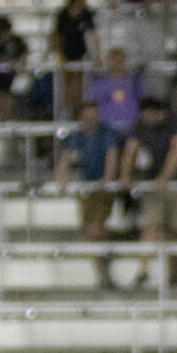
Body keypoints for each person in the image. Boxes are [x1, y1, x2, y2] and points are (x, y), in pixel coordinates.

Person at [57, 100, 124, 289]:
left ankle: (105, 258)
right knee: (90, 231)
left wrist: (107, 178)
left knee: (96, 227)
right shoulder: (78, 135)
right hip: (86, 187)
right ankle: (102, 267)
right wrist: (63, 179)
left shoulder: (107, 133)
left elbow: (112, 156)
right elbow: (66, 158)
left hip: (101, 188)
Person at [123, 97, 177, 289]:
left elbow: (176, 150)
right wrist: (126, 175)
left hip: (176, 184)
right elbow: (130, 150)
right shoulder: (140, 125)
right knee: (149, 226)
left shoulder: (175, 124)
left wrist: (165, 177)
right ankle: (143, 271)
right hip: (152, 184)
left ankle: (174, 277)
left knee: (176, 231)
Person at [53, 0, 100, 116]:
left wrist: (97, 55)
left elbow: (92, 35)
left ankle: (77, 113)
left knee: (79, 87)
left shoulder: (86, 14)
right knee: (67, 87)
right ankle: (66, 113)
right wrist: (58, 54)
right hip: (66, 54)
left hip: (80, 53)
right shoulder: (63, 14)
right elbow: (58, 36)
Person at [88, 48, 145, 138]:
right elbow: (91, 105)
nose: (117, 63)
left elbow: (143, 101)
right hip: (106, 126)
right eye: (113, 60)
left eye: (120, 60)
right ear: (107, 62)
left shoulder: (134, 81)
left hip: (132, 125)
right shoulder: (100, 83)